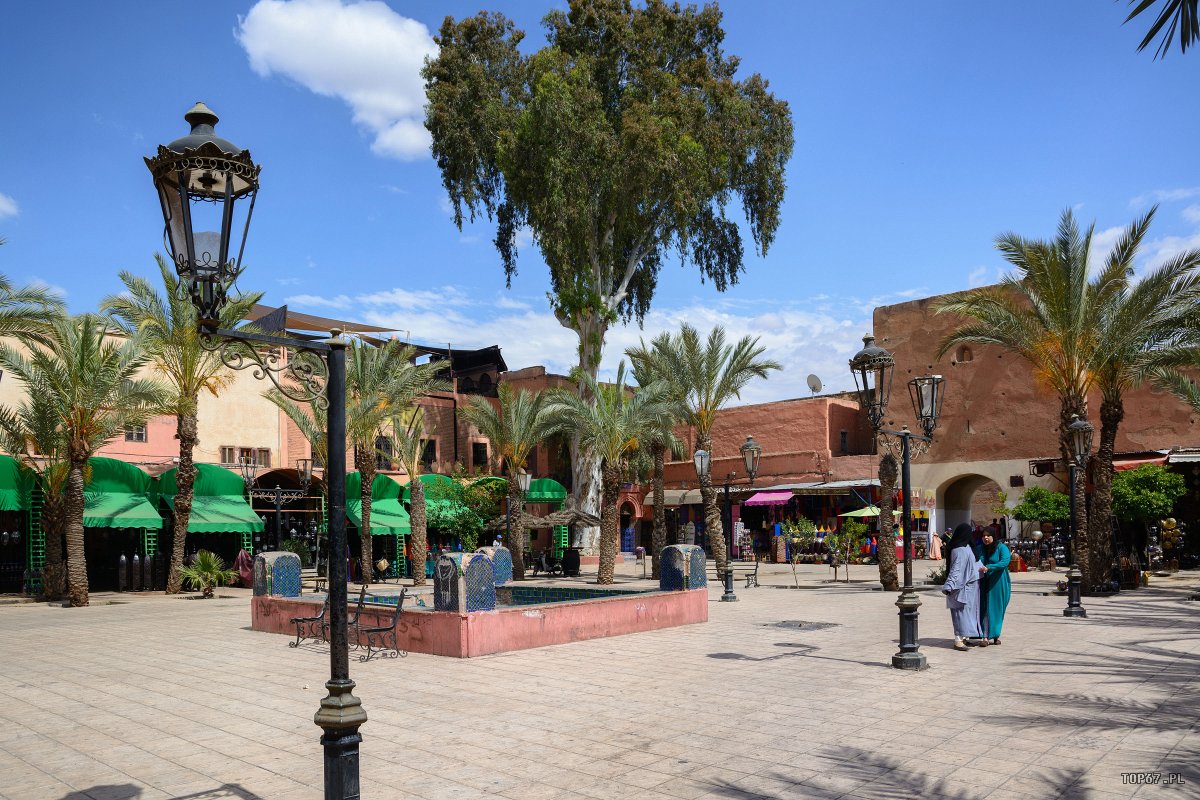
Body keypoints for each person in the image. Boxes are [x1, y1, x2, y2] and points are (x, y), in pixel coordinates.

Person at [942, 523, 986, 650]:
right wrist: (949, 585)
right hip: (960, 588)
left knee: (967, 613)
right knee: (959, 613)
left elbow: (976, 563)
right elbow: (956, 569)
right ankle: (958, 640)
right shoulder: (959, 549)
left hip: (970, 587)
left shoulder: (967, 547)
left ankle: (964, 638)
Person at [975, 526, 1012, 645]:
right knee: (984, 608)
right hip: (982, 582)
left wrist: (990, 567)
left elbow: (1005, 562)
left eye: (988, 536)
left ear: (993, 536)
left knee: (996, 609)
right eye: (983, 536)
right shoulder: (980, 548)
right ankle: (985, 636)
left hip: (998, 582)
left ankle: (995, 634)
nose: (985, 538)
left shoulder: (1002, 548)